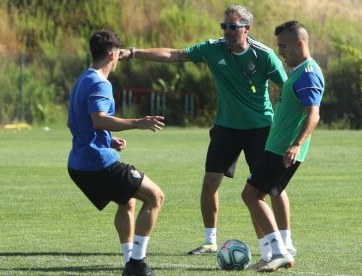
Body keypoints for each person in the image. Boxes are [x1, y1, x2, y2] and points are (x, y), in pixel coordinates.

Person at [122, 5, 296, 258]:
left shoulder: (264, 56)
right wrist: (133, 52)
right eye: (224, 26)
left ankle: (284, 241)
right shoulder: (212, 49)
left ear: (246, 29)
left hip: (261, 128)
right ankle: (210, 241)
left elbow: (288, 90)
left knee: (272, 186)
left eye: (233, 27)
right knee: (210, 183)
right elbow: (175, 54)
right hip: (226, 128)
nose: (227, 31)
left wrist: (285, 127)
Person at [67, 29, 165, 276]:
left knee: (127, 200)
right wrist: (138, 123)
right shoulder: (101, 83)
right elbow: (99, 120)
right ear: (112, 55)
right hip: (97, 163)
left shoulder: (82, 79)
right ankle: (137, 263)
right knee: (155, 197)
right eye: (119, 54)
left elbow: (79, 122)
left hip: (79, 163)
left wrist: (108, 141)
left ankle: (128, 259)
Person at [242, 20, 325, 272]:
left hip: (282, 150)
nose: (281, 52)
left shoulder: (308, 73)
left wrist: (296, 144)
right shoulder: (300, 71)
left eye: (284, 46)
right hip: (278, 148)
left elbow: (314, 114)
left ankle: (278, 252)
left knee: (250, 195)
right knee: (269, 193)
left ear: (300, 44)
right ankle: (280, 249)